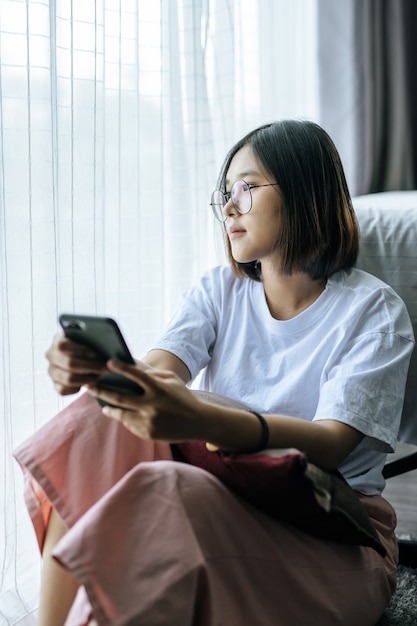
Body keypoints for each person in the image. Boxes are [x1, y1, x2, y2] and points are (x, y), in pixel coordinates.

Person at [14, 120, 414, 626]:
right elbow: (158, 374)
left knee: (168, 490)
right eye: (225, 193)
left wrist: (205, 418)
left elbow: (332, 444)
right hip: (235, 497)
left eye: (246, 189)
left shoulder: (373, 311)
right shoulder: (219, 291)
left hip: (335, 533)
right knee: (102, 414)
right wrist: (101, 370)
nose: (228, 208)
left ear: (305, 189)